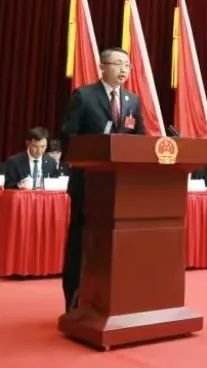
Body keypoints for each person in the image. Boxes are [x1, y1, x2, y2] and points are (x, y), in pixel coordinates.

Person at [59, 47, 146, 314]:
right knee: (82, 242)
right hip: (88, 185)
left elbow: (139, 139)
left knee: (116, 244)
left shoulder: (132, 100)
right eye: (118, 64)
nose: (123, 70)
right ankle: (75, 300)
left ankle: (115, 300)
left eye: (127, 65)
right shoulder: (84, 96)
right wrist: (95, 149)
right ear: (103, 66)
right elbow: (68, 138)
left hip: (121, 187)